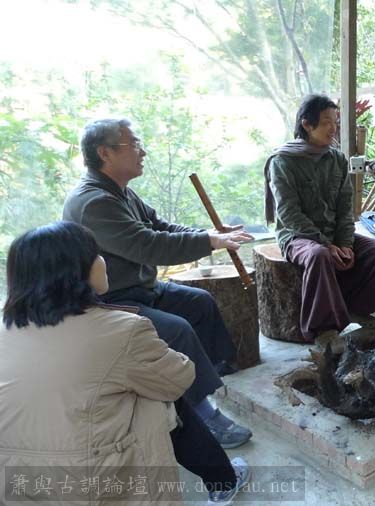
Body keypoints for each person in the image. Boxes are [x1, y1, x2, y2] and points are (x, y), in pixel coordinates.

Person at [0, 222, 250, 504]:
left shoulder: (6, 329)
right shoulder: (120, 330)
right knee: (157, 398)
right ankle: (223, 481)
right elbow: (178, 378)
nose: (103, 261)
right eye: (96, 254)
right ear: (74, 272)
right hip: (90, 480)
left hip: (17, 482)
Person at [62, 118, 254, 448]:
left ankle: (200, 382)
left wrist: (209, 235)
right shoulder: (94, 202)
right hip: (109, 300)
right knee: (177, 329)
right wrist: (209, 241)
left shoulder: (119, 192)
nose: (143, 151)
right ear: (105, 153)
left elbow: (160, 226)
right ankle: (200, 413)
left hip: (140, 289)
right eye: (135, 144)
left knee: (200, 303)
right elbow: (150, 245)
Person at [264, 94, 375, 351]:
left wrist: (345, 243)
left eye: (335, 122)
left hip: (333, 235)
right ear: (306, 124)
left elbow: (346, 207)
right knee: (319, 255)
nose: (333, 128)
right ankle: (323, 330)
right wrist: (326, 244)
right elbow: (289, 214)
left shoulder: (336, 159)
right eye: (326, 122)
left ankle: (353, 310)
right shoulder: (283, 161)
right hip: (297, 237)